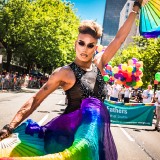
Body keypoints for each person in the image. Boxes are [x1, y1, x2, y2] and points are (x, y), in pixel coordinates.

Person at [0, 1, 143, 159]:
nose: (84, 49)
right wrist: (10, 126)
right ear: (75, 44)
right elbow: (36, 99)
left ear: (95, 48)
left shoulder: (99, 64)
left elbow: (119, 39)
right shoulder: (64, 73)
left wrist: (136, 6)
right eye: (81, 43)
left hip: (94, 140)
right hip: (67, 139)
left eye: (90, 45)